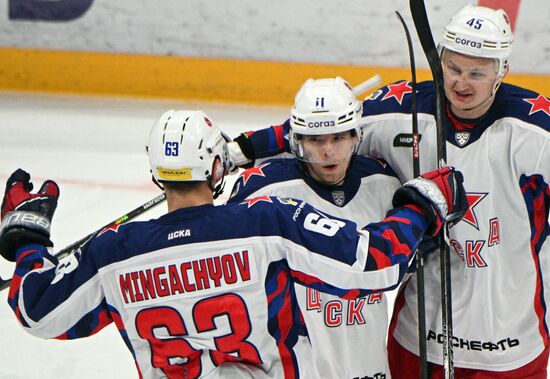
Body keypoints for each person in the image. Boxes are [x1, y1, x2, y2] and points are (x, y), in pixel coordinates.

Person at [0, 109, 467, 378]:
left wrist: (26, 238)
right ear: (218, 169)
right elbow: (376, 262)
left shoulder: (113, 251)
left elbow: (36, 309)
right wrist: (422, 204)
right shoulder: (266, 222)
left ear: (155, 173)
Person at [226, 4, 550, 377]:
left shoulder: (535, 133)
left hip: (512, 342)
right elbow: (324, 124)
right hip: (418, 335)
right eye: (453, 68)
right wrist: (244, 149)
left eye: (477, 73)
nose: (461, 83)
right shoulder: (403, 110)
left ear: (502, 70)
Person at [229, 76, 402, 378]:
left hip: (368, 361)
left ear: (356, 135)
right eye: (315, 140)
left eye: (338, 138)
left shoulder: (384, 184)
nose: (327, 152)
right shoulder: (263, 191)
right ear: (297, 141)